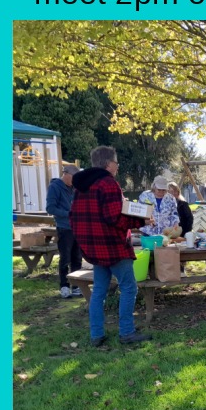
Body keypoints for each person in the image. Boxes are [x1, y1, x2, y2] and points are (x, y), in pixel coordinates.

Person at [70, 146, 153, 346]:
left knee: (99, 290)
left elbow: (73, 217)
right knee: (129, 288)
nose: (117, 165)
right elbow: (115, 218)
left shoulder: (81, 186)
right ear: (108, 164)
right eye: (116, 162)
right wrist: (142, 222)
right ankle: (126, 333)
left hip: (94, 249)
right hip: (113, 247)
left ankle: (96, 335)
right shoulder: (108, 184)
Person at [45, 164, 83, 298]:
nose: (75, 181)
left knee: (77, 258)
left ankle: (77, 285)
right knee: (65, 258)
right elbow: (50, 208)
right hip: (64, 227)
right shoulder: (55, 187)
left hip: (78, 227)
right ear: (65, 174)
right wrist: (69, 214)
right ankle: (64, 286)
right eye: (74, 177)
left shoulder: (75, 188)